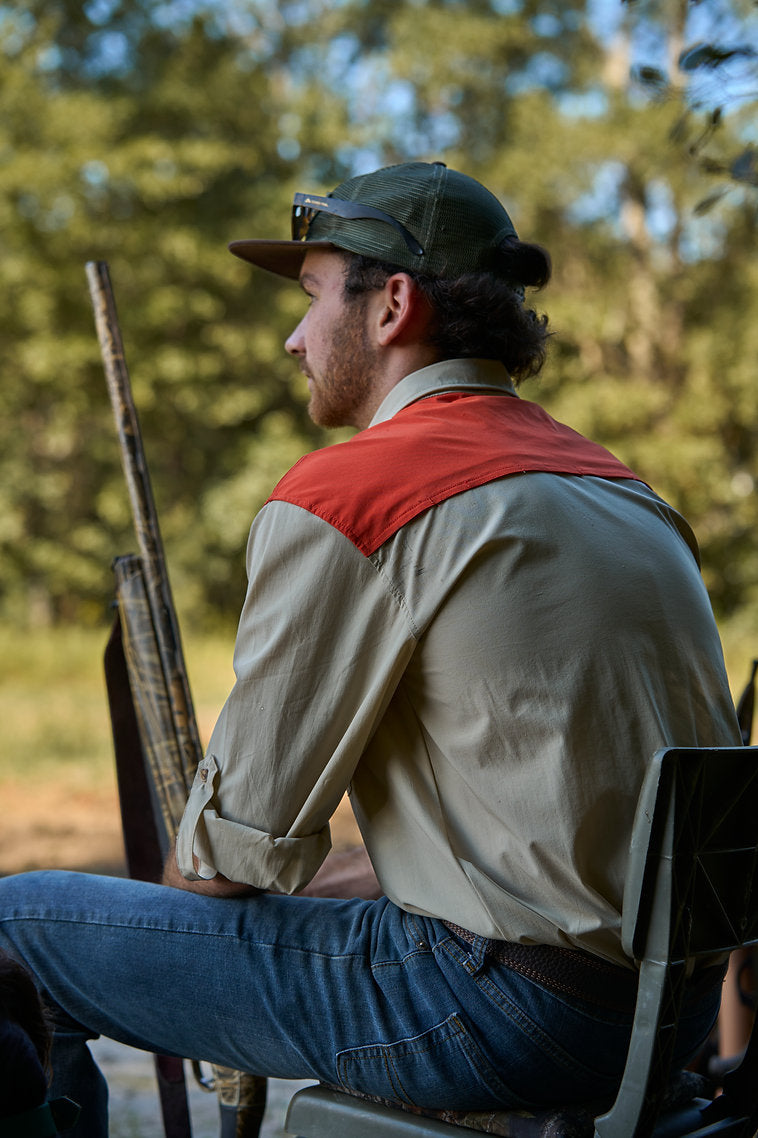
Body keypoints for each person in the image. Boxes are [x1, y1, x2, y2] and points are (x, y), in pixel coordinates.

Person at [0, 161, 742, 1136]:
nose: (293, 337)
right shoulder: (624, 495)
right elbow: (546, 857)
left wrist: (166, 916)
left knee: (16, 929)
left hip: (500, 1014)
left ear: (392, 305)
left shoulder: (357, 496)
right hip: (665, 1017)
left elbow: (227, 864)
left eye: (311, 298)